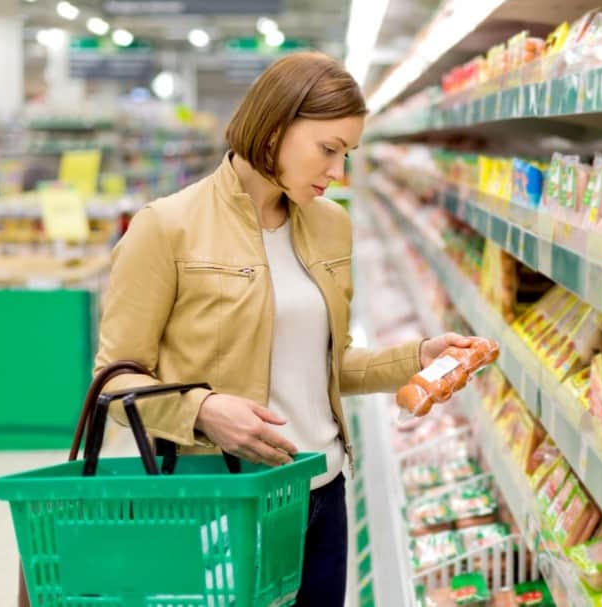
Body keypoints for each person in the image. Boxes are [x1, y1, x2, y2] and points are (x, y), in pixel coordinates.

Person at [92, 51, 478, 606]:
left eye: (346, 154)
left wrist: (418, 357)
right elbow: (112, 381)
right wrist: (201, 410)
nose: (337, 172)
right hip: (223, 499)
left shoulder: (330, 225)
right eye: (327, 150)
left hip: (322, 494)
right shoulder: (167, 226)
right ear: (274, 128)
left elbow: (325, 365)